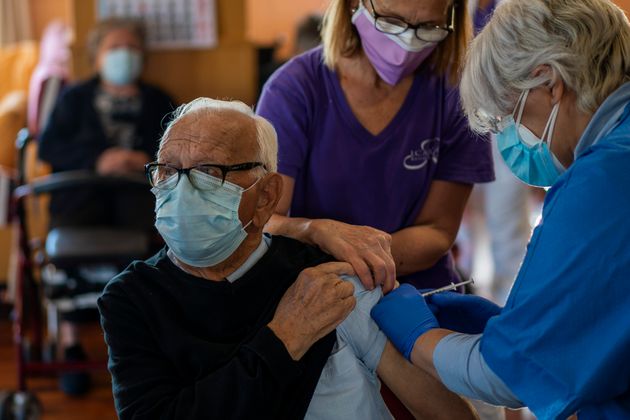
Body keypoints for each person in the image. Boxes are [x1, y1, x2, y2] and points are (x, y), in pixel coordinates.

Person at [97, 98, 476, 419]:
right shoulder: (131, 298)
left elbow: (443, 410)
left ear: (266, 196)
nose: (182, 189)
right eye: (167, 171)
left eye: (209, 172)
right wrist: (286, 338)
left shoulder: (325, 277)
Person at [370, 0, 630, 418]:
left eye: (511, 114)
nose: (513, 134)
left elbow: (506, 378)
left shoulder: (601, 182)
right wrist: (522, 328)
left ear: (549, 81)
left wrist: (417, 338)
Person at [256, 0, 494, 295]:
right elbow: (264, 222)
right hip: (321, 288)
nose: (407, 40)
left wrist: (360, 255)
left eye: (428, 27)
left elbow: (438, 231)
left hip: (419, 290)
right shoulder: (293, 91)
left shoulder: (456, 97)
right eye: (392, 21)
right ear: (356, 5)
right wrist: (315, 231)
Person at [37, 17, 173, 395]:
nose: (124, 55)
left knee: (155, 248)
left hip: (136, 200)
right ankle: (70, 344)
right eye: (114, 47)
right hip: (81, 196)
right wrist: (99, 158)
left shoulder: (159, 100)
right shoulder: (74, 98)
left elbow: (178, 148)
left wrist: (142, 158)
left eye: (131, 47)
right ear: (96, 56)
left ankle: (140, 349)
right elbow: (49, 148)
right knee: (66, 251)